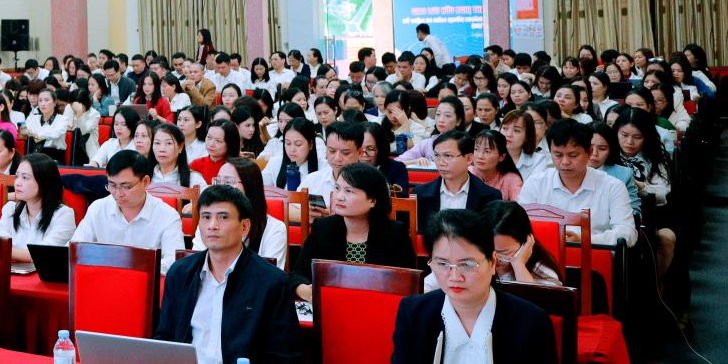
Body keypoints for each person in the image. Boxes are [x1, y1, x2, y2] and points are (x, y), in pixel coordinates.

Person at [387, 209, 558, 364]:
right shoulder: (414, 313)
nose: (454, 276)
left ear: (493, 262)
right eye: (442, 264)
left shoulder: (530, 321)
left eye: (467, 264)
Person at [157, 185, 307, 364]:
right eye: (206, 217)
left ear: (244, 227)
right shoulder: (180, 273)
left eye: (223, 217)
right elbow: (164, 338)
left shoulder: (271, 282)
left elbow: (283, 360)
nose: (212, 225)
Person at [291, 163, 416, 302]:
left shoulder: (396, 234)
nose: (339, 197)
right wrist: (305, 291)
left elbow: (407, 286)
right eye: (337, 188)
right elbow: (297, 273)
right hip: (330, 305)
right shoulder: (323, 227)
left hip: (377, 307)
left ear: (372, 200)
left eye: (349, 191)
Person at [519, 120, 637, 246]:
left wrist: (585, 239)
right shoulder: (535, 184)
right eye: (558, 155)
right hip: (545, 254)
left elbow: (627, 233)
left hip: (596, 254)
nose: (565, 162)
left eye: (573, 155)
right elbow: (518, 226)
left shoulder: (613, 187)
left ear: (589, 152)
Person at [70, 151, 184, 275]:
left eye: (126, 186)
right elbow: (75, 250)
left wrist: (131, 271)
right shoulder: (98, 209)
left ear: (145, 182)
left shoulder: (167, 216)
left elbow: (175, 262)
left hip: (145, 283)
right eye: (112, 185)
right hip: (103, 279)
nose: (118, 194)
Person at [610, 107, 677, 276]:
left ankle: (656, 285)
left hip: (650, 215)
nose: (629, 142)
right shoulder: (607, 152)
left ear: (646, 137)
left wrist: (639, 186)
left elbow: (662, 193)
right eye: (624, 135)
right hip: (612, 213)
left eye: (637, 137)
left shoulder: (654, 156)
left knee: (666, 237)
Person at [193, 157, 288, 270]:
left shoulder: (274, 229)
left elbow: (270, 276)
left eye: (228, 182)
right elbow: (195, 266)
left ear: (250, 187)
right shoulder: (208, 223)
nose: (220, 188)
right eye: (218, 181)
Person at [411, 130, 501, 233]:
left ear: (469, 158)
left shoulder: (491, 197)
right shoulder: (419, 194)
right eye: (437, 156)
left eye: (448, 156)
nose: (441, 163)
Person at [0, 153, 76, 261]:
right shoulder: (10, 209)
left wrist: (4, 251)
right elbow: (0, 244)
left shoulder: (63, 215)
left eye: (25, 177)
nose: (17, 183)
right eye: (17, 176)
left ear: (44, 182)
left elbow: (43, 255)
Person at [482, 200, 562, 287]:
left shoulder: (541, 271)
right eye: (488, 249)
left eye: (504, 253)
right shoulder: (477, 257)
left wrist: (519, 265)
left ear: (525, 243)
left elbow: (531, 296)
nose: (495, 258)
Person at [147, 122, 203, 196]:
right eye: (157, 143)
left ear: (180, 147)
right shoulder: (143, 178)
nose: (161, 149)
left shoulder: (194, 180)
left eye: (168, 143)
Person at [469, 128, 524, 201]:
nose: (480, 156)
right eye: (476, 149)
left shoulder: (511, 179)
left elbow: (519, 206)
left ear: (501, 157)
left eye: (487, 151)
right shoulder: (465, 173)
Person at [24, 87, 72, 156]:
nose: (43, 104)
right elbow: (23, 132)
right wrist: (33, 134)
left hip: (54, 155)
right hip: (33, 153)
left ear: (55, 102)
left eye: (46, 100)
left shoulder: (62, 119)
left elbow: (54, 134)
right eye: (40, 100)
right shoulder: (32, 118)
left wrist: (34, 134)